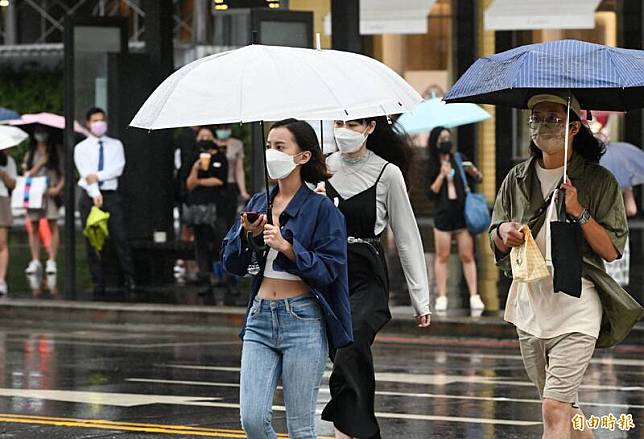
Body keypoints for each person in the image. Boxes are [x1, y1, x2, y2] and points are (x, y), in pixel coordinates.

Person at [490, 92, 642, 439]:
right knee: (564, 407)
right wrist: (504, 232)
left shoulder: (598, 181)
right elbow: (494, 232)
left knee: (553, 408)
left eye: (553, 119)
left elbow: (612, 249)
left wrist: (579, 211)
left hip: (578, 305)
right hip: (530, 304)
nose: (542, 125)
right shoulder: (516, 177)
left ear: (574, 127)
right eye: (536, 118)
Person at [221, 118, 352, 439]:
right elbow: (232, 264)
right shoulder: (257, 203)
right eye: (268, 146)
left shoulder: (323, 210)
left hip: (303, 319)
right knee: (252, 419)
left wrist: (287, 247)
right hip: (260, 318)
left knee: (300, 427)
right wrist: (246, 236)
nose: (271, 154)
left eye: (280, 147)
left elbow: (329, 269)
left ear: (303, 157)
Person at [320, 116, 431, 439]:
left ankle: (358, 431)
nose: (344, 131)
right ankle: (349, 432)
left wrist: (419, 299)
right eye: (339, 122)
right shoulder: (322, 168)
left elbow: (408, 236)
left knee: (351, 344)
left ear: (369, 128)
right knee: (342, 357)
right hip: (328, 273)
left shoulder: (387, 173)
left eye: (353, 125)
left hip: (367, 273)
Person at [74, 107, 136, 296]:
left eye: (101, 120)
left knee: (120, 237)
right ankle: (98, 281)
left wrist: (98, 176)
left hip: (111, 195)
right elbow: (85, 174)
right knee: (92, 240)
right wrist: (94, 192)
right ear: (88, 123)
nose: (99, 124)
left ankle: (130, 278)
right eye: (95, 120)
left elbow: (117, 168)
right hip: (90, 196)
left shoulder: (115, 145)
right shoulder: (81, 148)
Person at [425, 126, 485, 313]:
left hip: (461, 216)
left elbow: (479, 178)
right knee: (442, 257)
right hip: (443, 217)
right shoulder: (432, 164)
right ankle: (442, 296)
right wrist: (442, 175)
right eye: (441, 138)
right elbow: (430, 193)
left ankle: (474, 295)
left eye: (447, 138)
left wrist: (473, 171)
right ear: (435, 142)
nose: (445, 141)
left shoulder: (459, 159)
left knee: (467, 256)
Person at [185, 127, 228, 294]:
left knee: (220, 240)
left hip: (217, 205)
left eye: (208, 136)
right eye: (201, 136)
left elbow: (220, 181)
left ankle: (225, 277)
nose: (205, 138)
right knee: (200, 243)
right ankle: (205, 278)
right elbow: (189, 184)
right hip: (198, 206)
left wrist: (200, 182)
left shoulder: (220, 157)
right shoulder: (192, 157)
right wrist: (196, 170)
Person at [22, 125, 64, 278]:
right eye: (38, 132)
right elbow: (26, 174)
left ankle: (51, 260)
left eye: (43, 132)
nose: (41, 135)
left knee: (53, 224)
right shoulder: (30, 153)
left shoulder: (56, 151)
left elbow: (64, 173)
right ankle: (35, 260)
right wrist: (40, 163)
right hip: (33, 193)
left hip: (50, 192)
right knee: (33, 226)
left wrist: (58, 188)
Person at [0, 150, 16, 296]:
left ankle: (1, 280)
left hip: (2, 199)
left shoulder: (8, 161)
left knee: (2, 243)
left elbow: (13, 184)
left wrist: (3, 175)